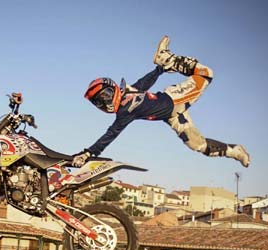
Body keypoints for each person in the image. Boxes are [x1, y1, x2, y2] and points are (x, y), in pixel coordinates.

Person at [74, 35, 250, 169]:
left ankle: (168, 58)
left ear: (112, 88)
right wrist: (89, 153)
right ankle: (234, 151)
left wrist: (160, 69)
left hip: (174, 98)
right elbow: (111, 134)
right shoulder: (123, 112)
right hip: (173, 115)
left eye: (103, 97)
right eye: (98, 102)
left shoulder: (127, 94)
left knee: (206, 74)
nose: (103, 103)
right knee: (199, 145)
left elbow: (143, 83)